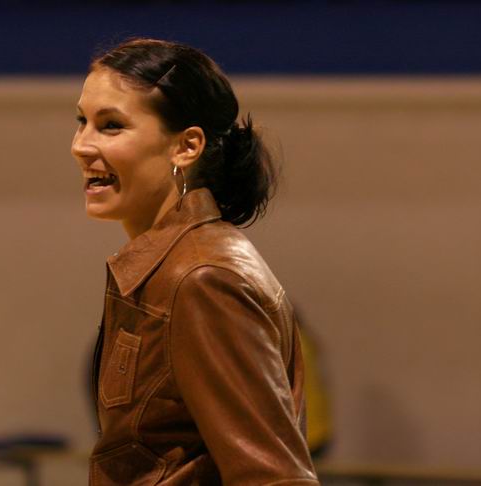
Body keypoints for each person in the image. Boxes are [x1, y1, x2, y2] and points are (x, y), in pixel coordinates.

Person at [71, 38, 319, 485]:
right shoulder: (173, 266)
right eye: (81, 122)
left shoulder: (202, 279)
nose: (81, 146)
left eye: (110, 126)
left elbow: (275, 478)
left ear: (186, 146)